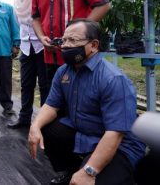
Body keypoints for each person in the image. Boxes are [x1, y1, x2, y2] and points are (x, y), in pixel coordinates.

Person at [27, 19, 146, 185]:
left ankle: (105, 172)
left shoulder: (112, 79)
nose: (66, 46)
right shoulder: (64, 72)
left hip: (118, 145)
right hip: (86, 133)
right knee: (47, 127)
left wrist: (89, 171)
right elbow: (51, 105)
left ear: (94, 45)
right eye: (64, 40)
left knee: (96, 178)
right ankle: (72, 170)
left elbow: (115, 134)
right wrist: (35, 126)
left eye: (73, 40)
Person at [7, 0, 49, 129]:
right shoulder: (17, 1)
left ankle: (45, 121)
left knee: (45, 85)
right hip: (26, 46)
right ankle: (24, 118)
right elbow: (19, 24)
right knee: (26, 84)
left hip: (41, 46)